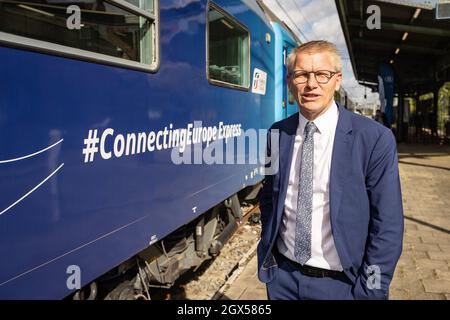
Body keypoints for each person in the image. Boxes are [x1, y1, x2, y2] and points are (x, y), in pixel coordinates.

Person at [258, 40, 404, 300]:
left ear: (337, 80)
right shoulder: (276, 134)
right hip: (283, 281)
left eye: (322, 75)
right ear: (290, 81)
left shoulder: (374, 138)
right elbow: (269, 198)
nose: (311, 84)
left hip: (344, 285)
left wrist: (371, 291)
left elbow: (388, 225)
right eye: (302, 75)